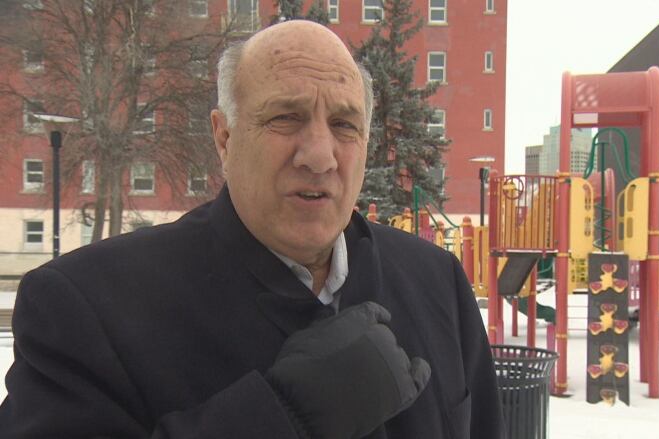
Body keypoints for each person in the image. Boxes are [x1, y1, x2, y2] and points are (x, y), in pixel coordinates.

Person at [0, 21, 503, 438]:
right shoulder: (86, 306)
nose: (320, 156)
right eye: (286, 117)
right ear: (224, 137)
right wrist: (283, 416)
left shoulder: (436, 281)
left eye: (345, 125)